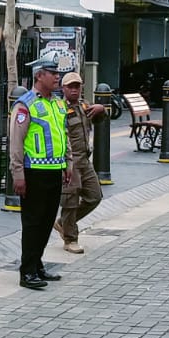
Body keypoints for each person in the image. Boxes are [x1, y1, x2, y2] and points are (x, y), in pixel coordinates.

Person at [9, 54, 72, 290]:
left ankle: (37, 264)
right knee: (33, 223)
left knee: (46, 222)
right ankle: (27, 271)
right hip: (33, 172)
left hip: (54, 170)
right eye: (52, 73)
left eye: (57, 73)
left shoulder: (58, 103)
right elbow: (16, 142)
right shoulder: (25, 105)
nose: (57, 77)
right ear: (39, 75)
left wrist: (68, 163)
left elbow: (63, 134)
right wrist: (18, 174)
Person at [55, 72, 105, 255]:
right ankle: (70, 239)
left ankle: (63, 223)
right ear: (63, 88)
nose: (74, 90)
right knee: (70, 201)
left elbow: (99, 119)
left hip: (84, 160)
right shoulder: (59, 109)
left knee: (94, 196)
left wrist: (101, 108)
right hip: (70, 161)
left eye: (77, 86)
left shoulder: (84, 106)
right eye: (70, 86)